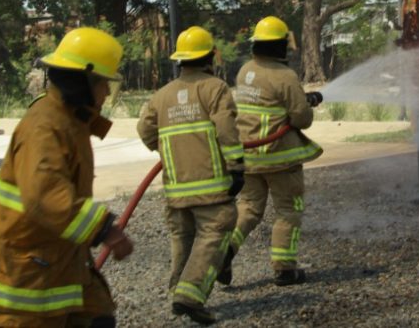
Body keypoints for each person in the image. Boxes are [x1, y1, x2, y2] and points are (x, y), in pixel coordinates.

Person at [0, 27, 134, 328]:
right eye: (104, 83)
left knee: (99, 317)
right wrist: (105, 230)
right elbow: (45, 196)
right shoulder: (45, 127)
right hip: (25, 279)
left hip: (58, 259)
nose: (106, 92)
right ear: (84, 81)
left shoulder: (70, 120)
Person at [137, 26, 244, 326]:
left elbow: (145, 131)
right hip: (211, 185)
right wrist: (236, 166)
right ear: (210, 56)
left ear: (180, 60)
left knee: (182, 237)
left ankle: (178, 290)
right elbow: (226, 129)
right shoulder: (215, 88)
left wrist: (168, 147)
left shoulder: (162, 95)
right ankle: (190, 295)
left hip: (176, 188)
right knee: (216, 230)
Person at [222, 16, 323, 287]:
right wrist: (306, 103)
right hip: (280, 160)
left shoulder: (245, 71)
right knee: (288, 210)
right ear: (280, 45)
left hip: (248, 157)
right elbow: (301, 118)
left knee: (249, 209)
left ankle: (225, 251)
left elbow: (267, 103)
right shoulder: (285, 76)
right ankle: (284, 268)